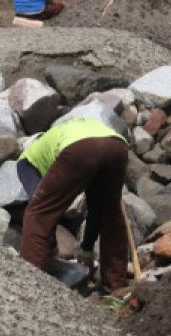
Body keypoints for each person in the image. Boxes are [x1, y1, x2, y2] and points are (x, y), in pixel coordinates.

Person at [16, 119, 130, 293]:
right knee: (111, 215)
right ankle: (116, 286)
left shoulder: (26, 160)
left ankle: (31, 286)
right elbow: (96, 209)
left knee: (37, 215)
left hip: (79, 149)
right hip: (116, 145)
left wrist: (48, 247)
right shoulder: (61, 135)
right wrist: (86, 249)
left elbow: (42, 209)